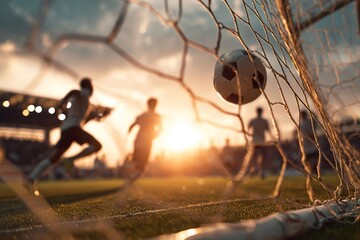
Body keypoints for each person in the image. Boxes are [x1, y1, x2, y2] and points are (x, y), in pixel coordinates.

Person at [24, 77, 103, 195]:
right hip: (73, 128)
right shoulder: (83, 93)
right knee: (97, 145)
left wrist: (94, 117)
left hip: (67, 129)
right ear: (89, 87)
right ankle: (70, 160)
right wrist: (63, 101)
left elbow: (80, 118)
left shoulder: (84, 102)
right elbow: (74, 92)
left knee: (54, 158)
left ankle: (31, 179)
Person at [126, 97, 162, 182]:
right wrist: (129, 131)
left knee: (142, 160)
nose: (152, 106)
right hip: (140, 139)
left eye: (154, 104)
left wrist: (155, 135)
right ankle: (134, 172)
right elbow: (133, 124)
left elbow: (161, 128)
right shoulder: (144, 115)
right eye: (151, 104)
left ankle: (135, 174)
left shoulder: (155, 116)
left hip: (147, 140)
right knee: (137, 159)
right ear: (148, 105)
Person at [247, 107, 271, 179]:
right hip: (261, 142)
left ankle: (255, 170)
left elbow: (248, 129)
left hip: (255, 142)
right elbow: (268, 130)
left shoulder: (253, 120)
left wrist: (249, 137)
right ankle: (260, 172)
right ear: (261, 112)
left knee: (255, 158)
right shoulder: (264, 121)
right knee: (262, 158)